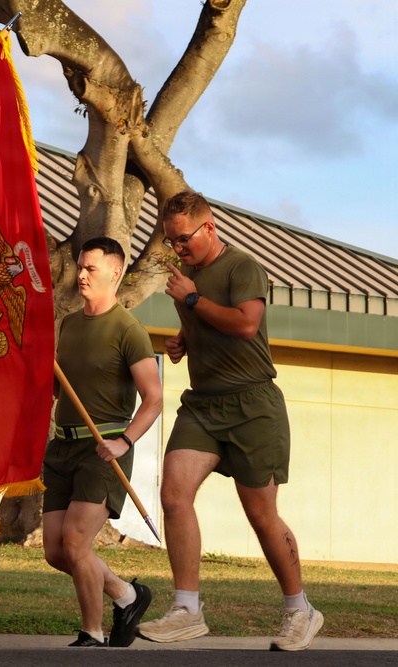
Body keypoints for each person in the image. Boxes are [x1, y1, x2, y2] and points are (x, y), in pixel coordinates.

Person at [137, 190, 323, 651]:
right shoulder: (189, 278)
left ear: (209, 226)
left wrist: (193, 300)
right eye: (170, 242)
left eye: (183, 240)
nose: (177, 250)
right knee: (174, 494)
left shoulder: (243, 266)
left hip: (253, 404)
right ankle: (187, 609)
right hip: (203, 405)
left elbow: (244, 324)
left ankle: (300, 609)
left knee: (260, 514)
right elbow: (209, 324)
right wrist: (182, 341)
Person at [43, 236, 163, 648]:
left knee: (76, 543)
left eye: (90, 268)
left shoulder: (129, 330)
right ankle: (128, 595)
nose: (81, 275)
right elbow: (62, 392)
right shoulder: (70, 324)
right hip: (61, 448)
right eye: (79, 267)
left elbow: (155, 398)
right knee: (56, 553)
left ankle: (92, 633)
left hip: (104, 448)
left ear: (116, 272)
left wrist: (125, 442)